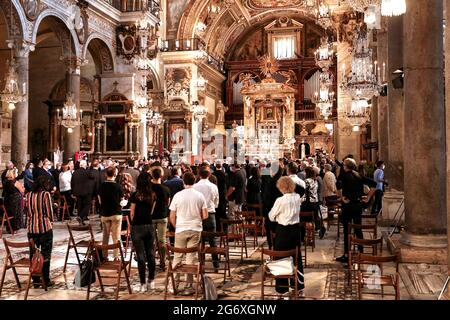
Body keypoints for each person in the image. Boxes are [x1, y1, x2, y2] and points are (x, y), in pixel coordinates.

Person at [169, 172, 208, 293]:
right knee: (191, 257)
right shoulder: (199, 195)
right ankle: (188, 286)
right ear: (194, 181)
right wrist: (196, 219)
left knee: (177, 256)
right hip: (195, 228)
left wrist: (177, 226)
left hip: (181, 229)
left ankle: (174, 285)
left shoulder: (178, 195)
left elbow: (172, 216)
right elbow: (205, 215)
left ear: (183, 182)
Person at [268, 176, 304, 297]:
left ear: (281, 187)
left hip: (283, 231)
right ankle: (298, 285)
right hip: (295, 231)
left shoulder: (280, 200)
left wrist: (278, 217)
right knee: (296, 257)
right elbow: (301, 189)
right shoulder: (297, 197)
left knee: (281, 258)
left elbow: (271, 216)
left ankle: (282, 288)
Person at [335, 158, 376, 262]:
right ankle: (361, 251)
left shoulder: (344, 175)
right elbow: (374, 184)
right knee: (358, 228)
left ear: (345, 166)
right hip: (358, 205)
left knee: (346, 230)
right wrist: (367, 197)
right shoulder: (358, 175)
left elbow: (338, 187)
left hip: (348, 206)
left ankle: (346, 254)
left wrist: (342, 197)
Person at [26, 176, 55, 287]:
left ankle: (36, 280)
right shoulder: (45, 195)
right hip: (44, 229)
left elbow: (28, 212)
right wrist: (50, 221)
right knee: (45, 254)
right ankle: (45, 279)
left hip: (32, 229)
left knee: (33, 254)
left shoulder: (28, 195)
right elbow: (49, 213)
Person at [129, 173, 156, 293]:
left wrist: (132, 225)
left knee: (140, 256)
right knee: (150, 254)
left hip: (137, 226)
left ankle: (142, 284)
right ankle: (152, 280)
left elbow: (132, 212)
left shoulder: (135, 195)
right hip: (149, 225)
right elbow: (151, 212)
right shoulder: (153, 195)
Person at [193, 166, 219, 269]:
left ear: (199, 175)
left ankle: (201, 263)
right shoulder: (213, 186)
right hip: (210, 213)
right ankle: (215, 263)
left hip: (199, 214)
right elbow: (216, 201)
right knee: (213, 240)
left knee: (200, 240)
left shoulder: (195, 186)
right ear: (209, 175)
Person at [99, 166, 124, 260]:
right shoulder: (118, 186)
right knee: (116, 236)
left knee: (105, 236)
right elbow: (121, 201)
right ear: (115, 174)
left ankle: (104, 256)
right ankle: (116, 256)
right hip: (116, 213)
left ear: (106, 174)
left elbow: (100, 200)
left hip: (104, 213)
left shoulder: (101, 186)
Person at [150, 166, 171, 270]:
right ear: (161, 176)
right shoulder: (166, 189)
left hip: (151, 217)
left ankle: (151, 261)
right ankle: (162, 261)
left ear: (152, 175)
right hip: (162, 216)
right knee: (162, 240)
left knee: (151, 240)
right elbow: (168, 203)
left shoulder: (149, 188)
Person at [71, 160, 95, 224]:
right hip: (86, 192)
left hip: (77, 192)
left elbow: (72, 183)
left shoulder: (75, 172)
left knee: (80, 206)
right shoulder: (87, 172)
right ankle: (81, 216)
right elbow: (93, 177)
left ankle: (80, 221)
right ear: (85, 165)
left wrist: (72, 192)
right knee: (87, 205)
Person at [212, 160, 228, 231]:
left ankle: (217, 228)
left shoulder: (213, 175)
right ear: (221, 166)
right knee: (223, 211)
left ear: (215, 166)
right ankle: (224, 228)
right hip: (223, 195)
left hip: (215, 195)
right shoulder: (225, 174)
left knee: (216, 212)